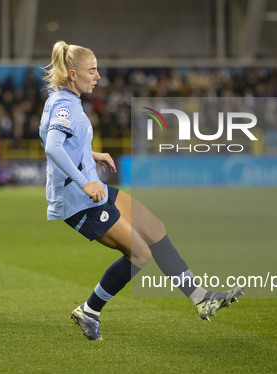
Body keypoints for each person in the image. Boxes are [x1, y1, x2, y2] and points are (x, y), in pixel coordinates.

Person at [39, 41, 243, 341]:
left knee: (154, 227)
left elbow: (57, 139)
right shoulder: (65, 104)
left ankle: (201, 297)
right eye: (92, 71)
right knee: (140, 254)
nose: (98, 76)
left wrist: (91, 155)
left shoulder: (62, 97)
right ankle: (90, 310)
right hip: (79, 200)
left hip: (90, 190)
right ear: (72, 73)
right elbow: (53, 146)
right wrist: (85, 181)